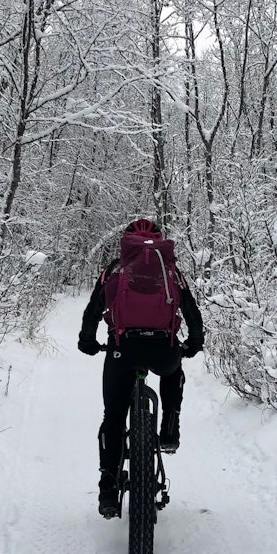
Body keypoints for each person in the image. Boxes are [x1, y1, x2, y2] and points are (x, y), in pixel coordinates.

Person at [77, 218, 204, 518]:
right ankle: (169, 428)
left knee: (113, 415)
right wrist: (193, 344)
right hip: (163, 350)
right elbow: (191, 311)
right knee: (173, 370)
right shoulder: (170, 270)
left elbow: (93, 310)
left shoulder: (114, 269)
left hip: (123, 350)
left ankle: (108, 487)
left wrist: (88, 342)